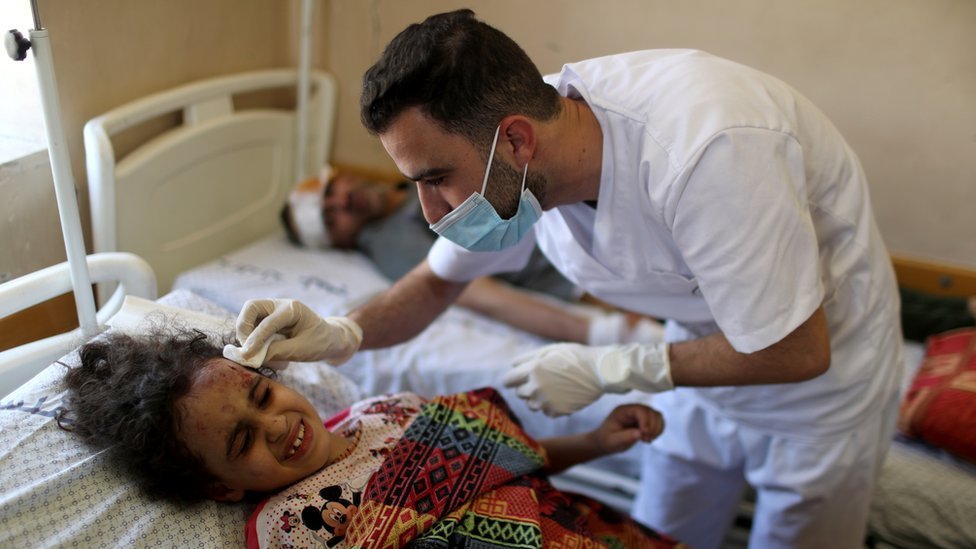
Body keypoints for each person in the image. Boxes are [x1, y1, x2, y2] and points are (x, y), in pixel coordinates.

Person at [232, 9, 903, 549]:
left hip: (821, 389)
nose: (430, 213)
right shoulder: (521, 141)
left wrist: (614, 366)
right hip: (703, 362)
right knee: (659, 528)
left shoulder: (708, 151)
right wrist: (342, 332)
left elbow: (797, 349)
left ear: (518, 141)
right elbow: (435, 287)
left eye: (436, 179)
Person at [58, 326, 680, 547]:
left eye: (262, 394)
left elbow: (516, 460)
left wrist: (598, 441)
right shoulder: (289, 528)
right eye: (242, 442)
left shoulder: (385, 409)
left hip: (586, 528)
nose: (277, 425)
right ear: (220, 488)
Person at [280, 166, 663, 345]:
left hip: (604, 220)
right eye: (332, 217)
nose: (342, 200)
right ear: (341, 243)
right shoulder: (390, 242)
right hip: (588, 267)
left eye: (331, 190)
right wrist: (601, 332)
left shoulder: (406, 184)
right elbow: (474, 293)